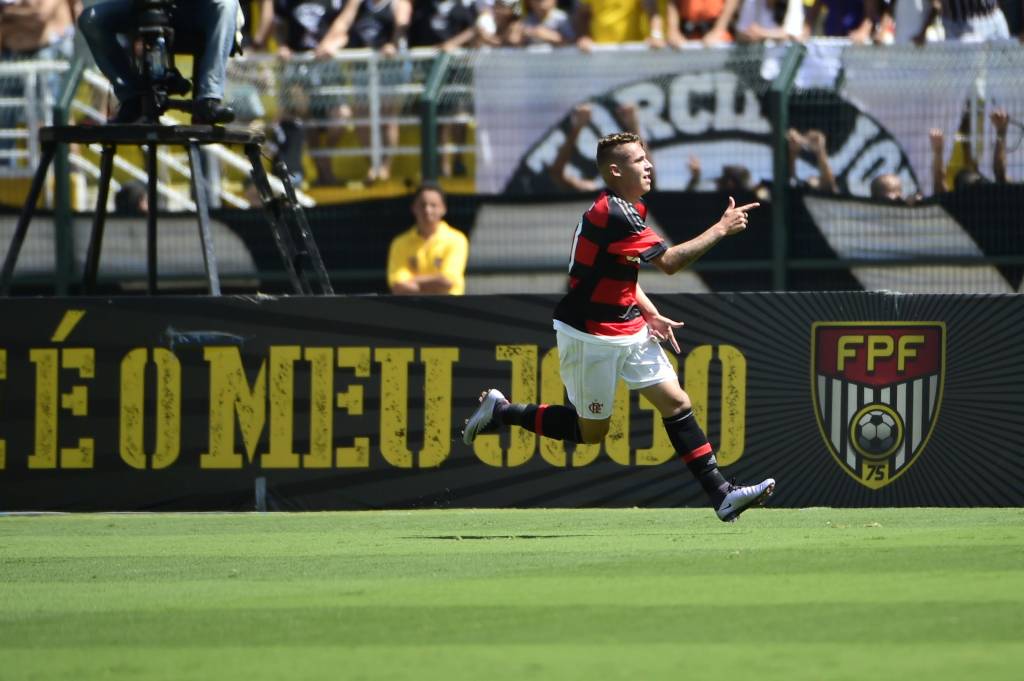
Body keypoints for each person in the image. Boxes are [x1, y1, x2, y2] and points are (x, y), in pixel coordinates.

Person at [462, 131, 775, 522]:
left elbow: (624, 272)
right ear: (615, 169)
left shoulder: (631, 210)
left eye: (646, 157)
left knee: (676, 402)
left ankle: (722, 495)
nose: (648, 165)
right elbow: (671, 263)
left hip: (627, 327)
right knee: (591, 432)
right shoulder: (613, 213)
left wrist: (649, 312)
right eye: (638, 159)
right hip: (589, 334)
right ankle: (503, 411)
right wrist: (721, 228)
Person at [77, 0, 239, 124]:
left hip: (196, 10)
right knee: (91, 20)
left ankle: (209, 99)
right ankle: (132, 99)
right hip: (145, 6)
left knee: (226, 4)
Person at [0, 0, 79, 164]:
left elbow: (39, 15)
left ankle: (70, 169)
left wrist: (7, 14)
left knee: (52, 119)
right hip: (15, 58)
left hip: (48, 55)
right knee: (6, 122)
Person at [387, 183, 469, 295]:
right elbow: (397, 286)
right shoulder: (399, 243)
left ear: (443, 209)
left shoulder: (457, 239)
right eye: (422, 205)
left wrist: (412, 281)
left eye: (433, 205)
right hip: (412, 309)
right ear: (413, 208)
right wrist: (435, 284)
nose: (427, 210)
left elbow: (447, 281)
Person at [573, 0, 666, 50]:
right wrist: (584, 37)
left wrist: (656, 35)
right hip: (599, 50)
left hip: (632, 52)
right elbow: (582, 14)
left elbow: (653, 12)